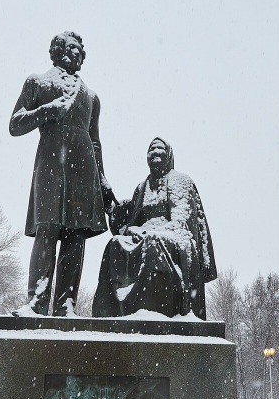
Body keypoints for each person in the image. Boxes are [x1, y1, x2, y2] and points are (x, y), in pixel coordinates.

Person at [10, 31, 116, 316]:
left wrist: (104, 185)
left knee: (75, 236)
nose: (78, 53)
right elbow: (15, 124)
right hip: (50, 167)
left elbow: (95, 142)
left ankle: (65, 304)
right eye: (72, 48)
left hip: (84, 173)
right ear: (56, 52)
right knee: (47, 230)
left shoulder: (91, 97)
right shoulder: (37, 82)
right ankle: (37, 302)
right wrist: (46, 111)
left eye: (81, 50)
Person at [92, 137, 216, 320]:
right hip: (143, 237)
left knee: (153, 243)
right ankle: (112, 314)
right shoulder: (142, 187)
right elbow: (130, 223)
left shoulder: (180, 181)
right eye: (152, 150)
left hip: (175, 239)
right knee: (115, 244)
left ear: (169, 156)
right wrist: (115, 212)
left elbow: (182, 223)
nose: (155, 153)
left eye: (160, 150)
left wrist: (150, 232)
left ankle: (151, 310)